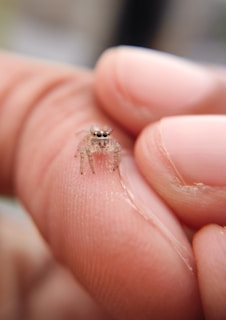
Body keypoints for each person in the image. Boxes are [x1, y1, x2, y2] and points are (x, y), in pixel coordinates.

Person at [0, 46, 225, 320]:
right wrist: (87, 163)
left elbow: (114, 149)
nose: (104, 143)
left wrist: (114, 164)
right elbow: (84, 144)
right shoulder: (88, 139)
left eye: (105, 139)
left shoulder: (108, 142)